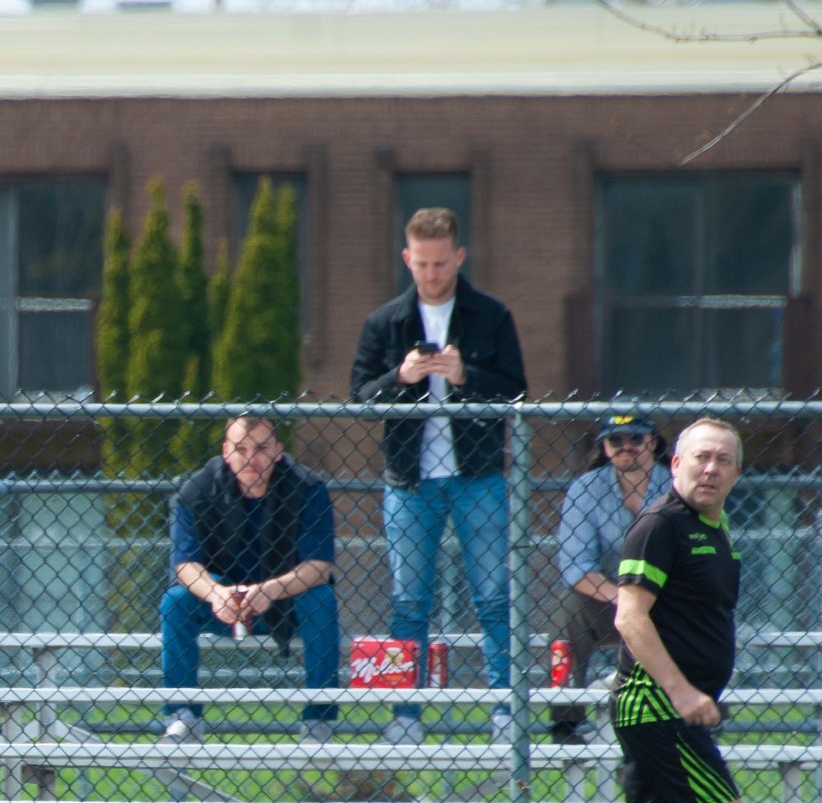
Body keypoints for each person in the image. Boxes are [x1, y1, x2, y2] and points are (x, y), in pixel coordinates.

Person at [350, 206, 528, 743]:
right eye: (422, 264)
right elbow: (360, 397)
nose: (431, 274)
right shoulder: (385, 323)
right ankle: (406, 718)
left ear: (459, 257)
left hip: (478, 475)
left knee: (495, 596)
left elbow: (517, 392)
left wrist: (464, 377)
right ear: (407, 259)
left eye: (440, 264)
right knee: (409, 600)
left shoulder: (490, 315)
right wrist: (401, 377)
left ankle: (505, 711)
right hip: (409, 480)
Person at [600, 418, 748, 803]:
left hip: (669, 704)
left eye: (723, 461)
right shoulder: (660, 526)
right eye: (700, 458)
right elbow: (629, 619)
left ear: (737, 473)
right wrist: (683, 691)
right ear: (676, 461)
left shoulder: (715, 527)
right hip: (656, 705)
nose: (710, 469)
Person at [158, 416, 339, 743]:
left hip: (284, 599)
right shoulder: (197, 490)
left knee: (321, 599)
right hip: (223, 602)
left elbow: (319, 567)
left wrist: (271, 590)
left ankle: (318, 719)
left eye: (261, 448)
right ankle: (183, 716)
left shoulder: (307, 488)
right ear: (226, 452)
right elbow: (185, 565)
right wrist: (216, 593)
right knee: (175, 602)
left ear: (279, 452)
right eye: (240, 449)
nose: (251, 458)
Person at [549, 413, 670, 745]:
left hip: (667, 599)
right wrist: (624, 598)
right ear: (604, 446)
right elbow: (575, 566)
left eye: (635, 438)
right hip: (609, 599)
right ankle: (566, 721)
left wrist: (647, 598)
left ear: (653, 442)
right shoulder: (586, 488)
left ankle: (701, 711)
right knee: (568, 610)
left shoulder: (677, 485)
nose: (625, 447)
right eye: (615, 440)